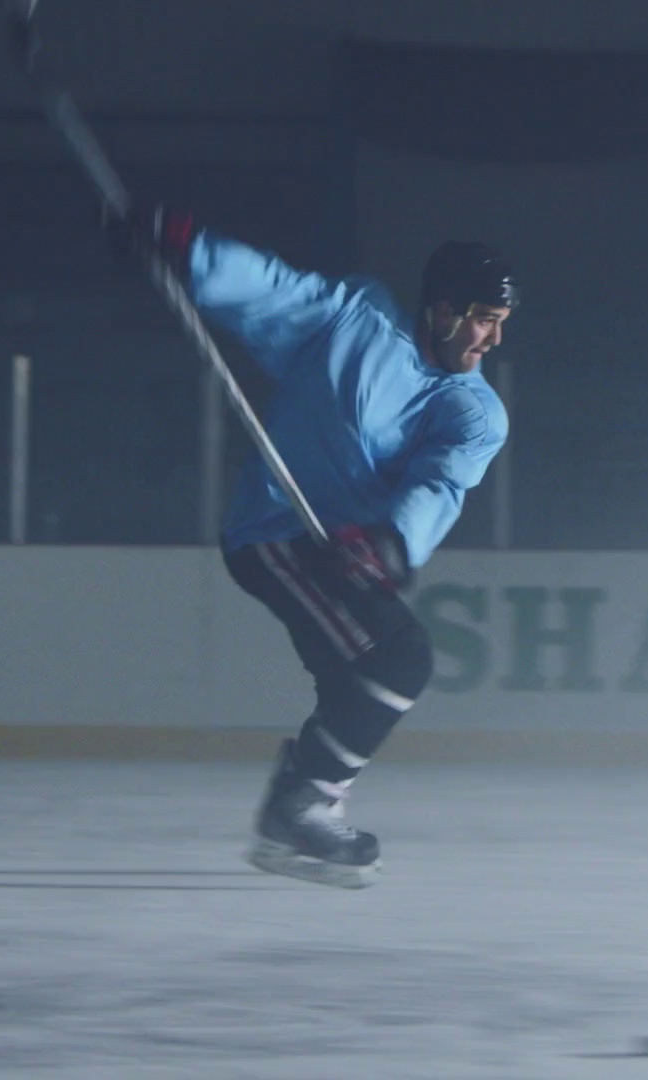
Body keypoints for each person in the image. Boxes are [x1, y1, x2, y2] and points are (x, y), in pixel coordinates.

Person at [111, 208, 517, 888]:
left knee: (359, 681)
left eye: (501, 322)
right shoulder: (359, 319)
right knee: (398, 657)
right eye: (483, 318)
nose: (493, 337)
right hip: (278, 533)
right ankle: (301, 807)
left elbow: (441, 484)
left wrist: (391, 542)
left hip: (349, 555)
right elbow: (275, 290)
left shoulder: (475, 413)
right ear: (443, 310)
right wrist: (190, 251)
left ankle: (296, 813)